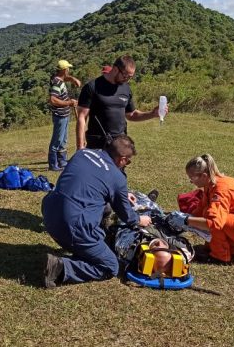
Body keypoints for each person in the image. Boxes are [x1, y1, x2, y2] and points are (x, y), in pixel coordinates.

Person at [41, 135, 152, 288]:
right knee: (110, 266)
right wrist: (140, 220)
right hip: (69, 226)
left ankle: (91, 241)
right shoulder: (117, 177)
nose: (127, 164)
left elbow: (87, 182)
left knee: (103, 207)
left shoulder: (83, 153)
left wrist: (119, 193)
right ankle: (60, 267)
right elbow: (127, 215)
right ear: (122, 159)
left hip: (49, 212)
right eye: (128, 161)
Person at [165, 154, 234, 265]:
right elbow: (200, 210)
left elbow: (214, 223)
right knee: (211, 226)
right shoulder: (212, 183)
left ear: (204, 176)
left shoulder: (220, 189)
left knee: (215, 220)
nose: (191, 181)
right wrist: (180, 218)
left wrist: (186, 220)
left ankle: (220, 257)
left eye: (192, 178)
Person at [75, 55, 160, 150]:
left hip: (120, 144)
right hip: (97, 144)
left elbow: (131, 115)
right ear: (115, 69)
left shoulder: (126, 88)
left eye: (130, 77)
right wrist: (80, 146)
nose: (127, 79)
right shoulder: (92, 87)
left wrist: (152, 114)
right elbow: (82, 117)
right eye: (125, 75)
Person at [47, 59, 82, 171]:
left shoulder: (57, 78)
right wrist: (69, 103)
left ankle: (62, 162)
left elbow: (63, 78)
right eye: (67, 69)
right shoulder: (58, 83)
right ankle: (53, 164)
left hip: (64, 114)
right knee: (57, 139)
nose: (68, 70)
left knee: (63, 139)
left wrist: (72, 79)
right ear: (63, 70)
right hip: (60, 115)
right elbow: (53, 100)